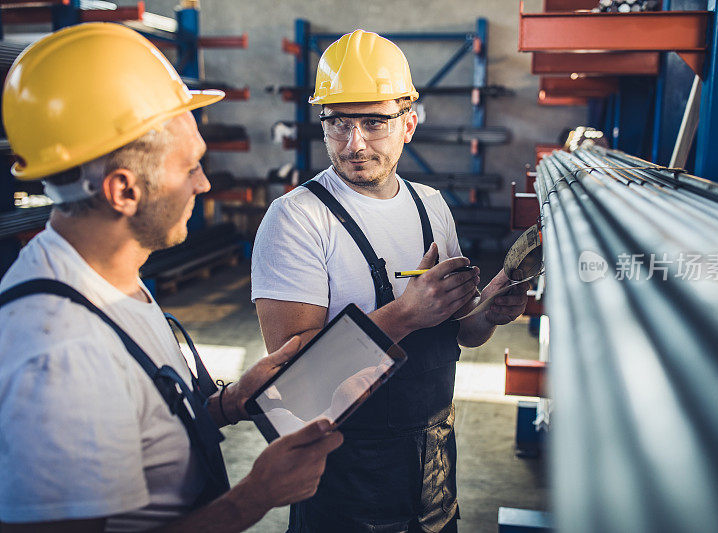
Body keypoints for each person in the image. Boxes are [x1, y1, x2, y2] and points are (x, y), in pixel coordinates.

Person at [0, 23, 342, 532]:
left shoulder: (104, 281)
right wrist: (256, 496)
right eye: (190, 168)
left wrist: (228, 403)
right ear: (123, 191)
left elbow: (140, 430)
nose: (204, 183)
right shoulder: (63, 358)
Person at [251, 29, 528, 532]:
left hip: (434, 465)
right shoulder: (296, 219)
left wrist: (487, 311)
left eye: (374, 123)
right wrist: (403, 314)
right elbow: (294, 386)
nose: (355, 144)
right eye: (338, 124)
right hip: (345, 476)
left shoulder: (432, 207)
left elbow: (458, 334)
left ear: (408, 124)